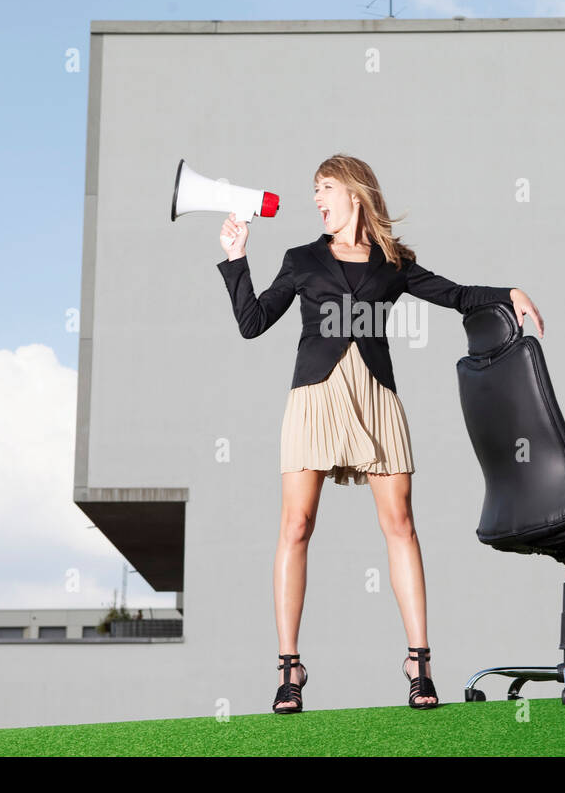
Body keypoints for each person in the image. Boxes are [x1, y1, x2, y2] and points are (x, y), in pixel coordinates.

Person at [215, 154, 543, 713]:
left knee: (401, 526)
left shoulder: (393, 264)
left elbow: (456, 295)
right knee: (296, 526)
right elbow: (252, 323)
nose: (317, 198)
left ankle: (419, 664)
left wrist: (507, 292)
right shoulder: (300, 259)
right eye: (314, 190)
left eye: (324, 188)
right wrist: (236, 259)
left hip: (375, 396)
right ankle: (289, 670)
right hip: (314, 396)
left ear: (355, 193)